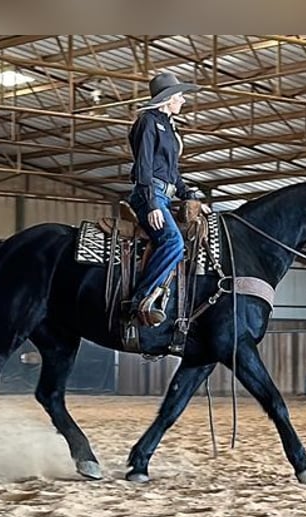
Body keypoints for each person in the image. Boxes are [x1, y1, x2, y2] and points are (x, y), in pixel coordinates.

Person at [126, 72, 211, 327]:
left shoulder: (168, 125)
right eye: (180, 97)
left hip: (165, 193)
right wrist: (151, 203)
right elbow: (144, 166)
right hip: (150, 195)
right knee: (173, 241)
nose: (183, 101)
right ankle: (141, 300)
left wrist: (190, 196)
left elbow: (173, 173)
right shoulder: (148, 122)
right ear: (168, 99)